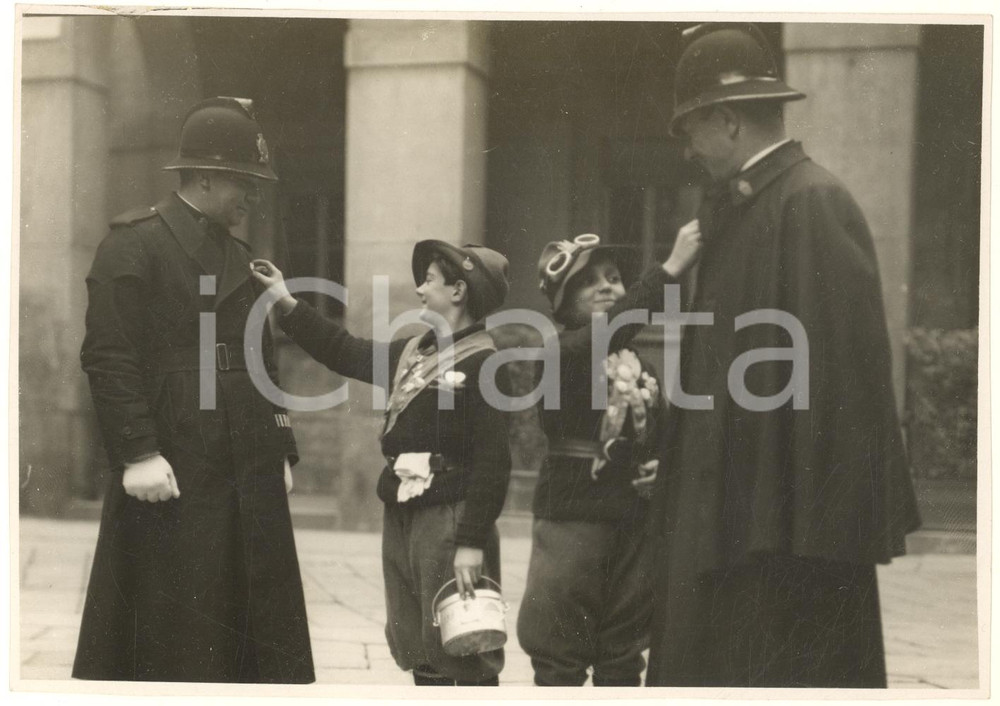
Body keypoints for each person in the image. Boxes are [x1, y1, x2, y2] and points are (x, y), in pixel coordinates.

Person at [645, 23, 922, 688]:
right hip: (734, 523)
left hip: (783, 541)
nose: (686, 149)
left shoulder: (811, 202)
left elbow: (843, 390)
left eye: (689, 128)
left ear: (727, 120)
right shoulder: (751, 205)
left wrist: (807, 540)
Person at [74, 97, 314, 682]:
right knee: (175, 624)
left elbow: (262, 357)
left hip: (246, 454)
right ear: (204, 177)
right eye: (244, 183)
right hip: (176, 452)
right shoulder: (133, 244)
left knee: (249, 626)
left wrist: (280, 448)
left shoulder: (240, 256)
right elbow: (109, 356)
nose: (252, 197)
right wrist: (137, 452)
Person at [250, 241, 512, 686]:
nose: (419, 288)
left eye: (429, 280)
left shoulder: (485, 361)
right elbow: (344, 350)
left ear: (458, 291)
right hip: (404, 510)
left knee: (463, 636)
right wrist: (285, 300)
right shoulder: (413, 352)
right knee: (417, 639)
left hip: (450, 516)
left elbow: (493, 463)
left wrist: (471, 543)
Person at [515, 233, 699, 686]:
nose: (606, 287)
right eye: (588, 282)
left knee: (623, 652)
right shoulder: (560, 352)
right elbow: (606, 334)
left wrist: (661, 466)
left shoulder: (641, 365)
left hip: (632, 519)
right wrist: (668, 270)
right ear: (562, 303)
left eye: (614, 278)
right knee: (559, 650)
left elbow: (663, 431)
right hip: (573, 516)